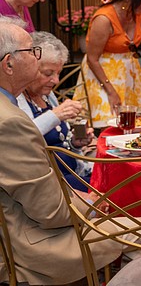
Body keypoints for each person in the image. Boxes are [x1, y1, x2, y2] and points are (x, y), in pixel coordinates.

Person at [0, 20, 141, 286]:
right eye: (32, 50)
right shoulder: (10, 122)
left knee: (114, 209)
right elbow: (51, 212)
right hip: (29, 243)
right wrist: (90, 204)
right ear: (9, 63)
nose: (37, 56)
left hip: (19, 225)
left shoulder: (11, 109)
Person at [17, 31, 94, 190]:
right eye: (48, 73)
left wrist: (75, 143)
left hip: (72, 172)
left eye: (58, 73)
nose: (56, 81)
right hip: (53, 185)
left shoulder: (48, 95)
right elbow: (24, 137)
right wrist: (56, 114)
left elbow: (60, 144)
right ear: (30, 67)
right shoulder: (17, 98)